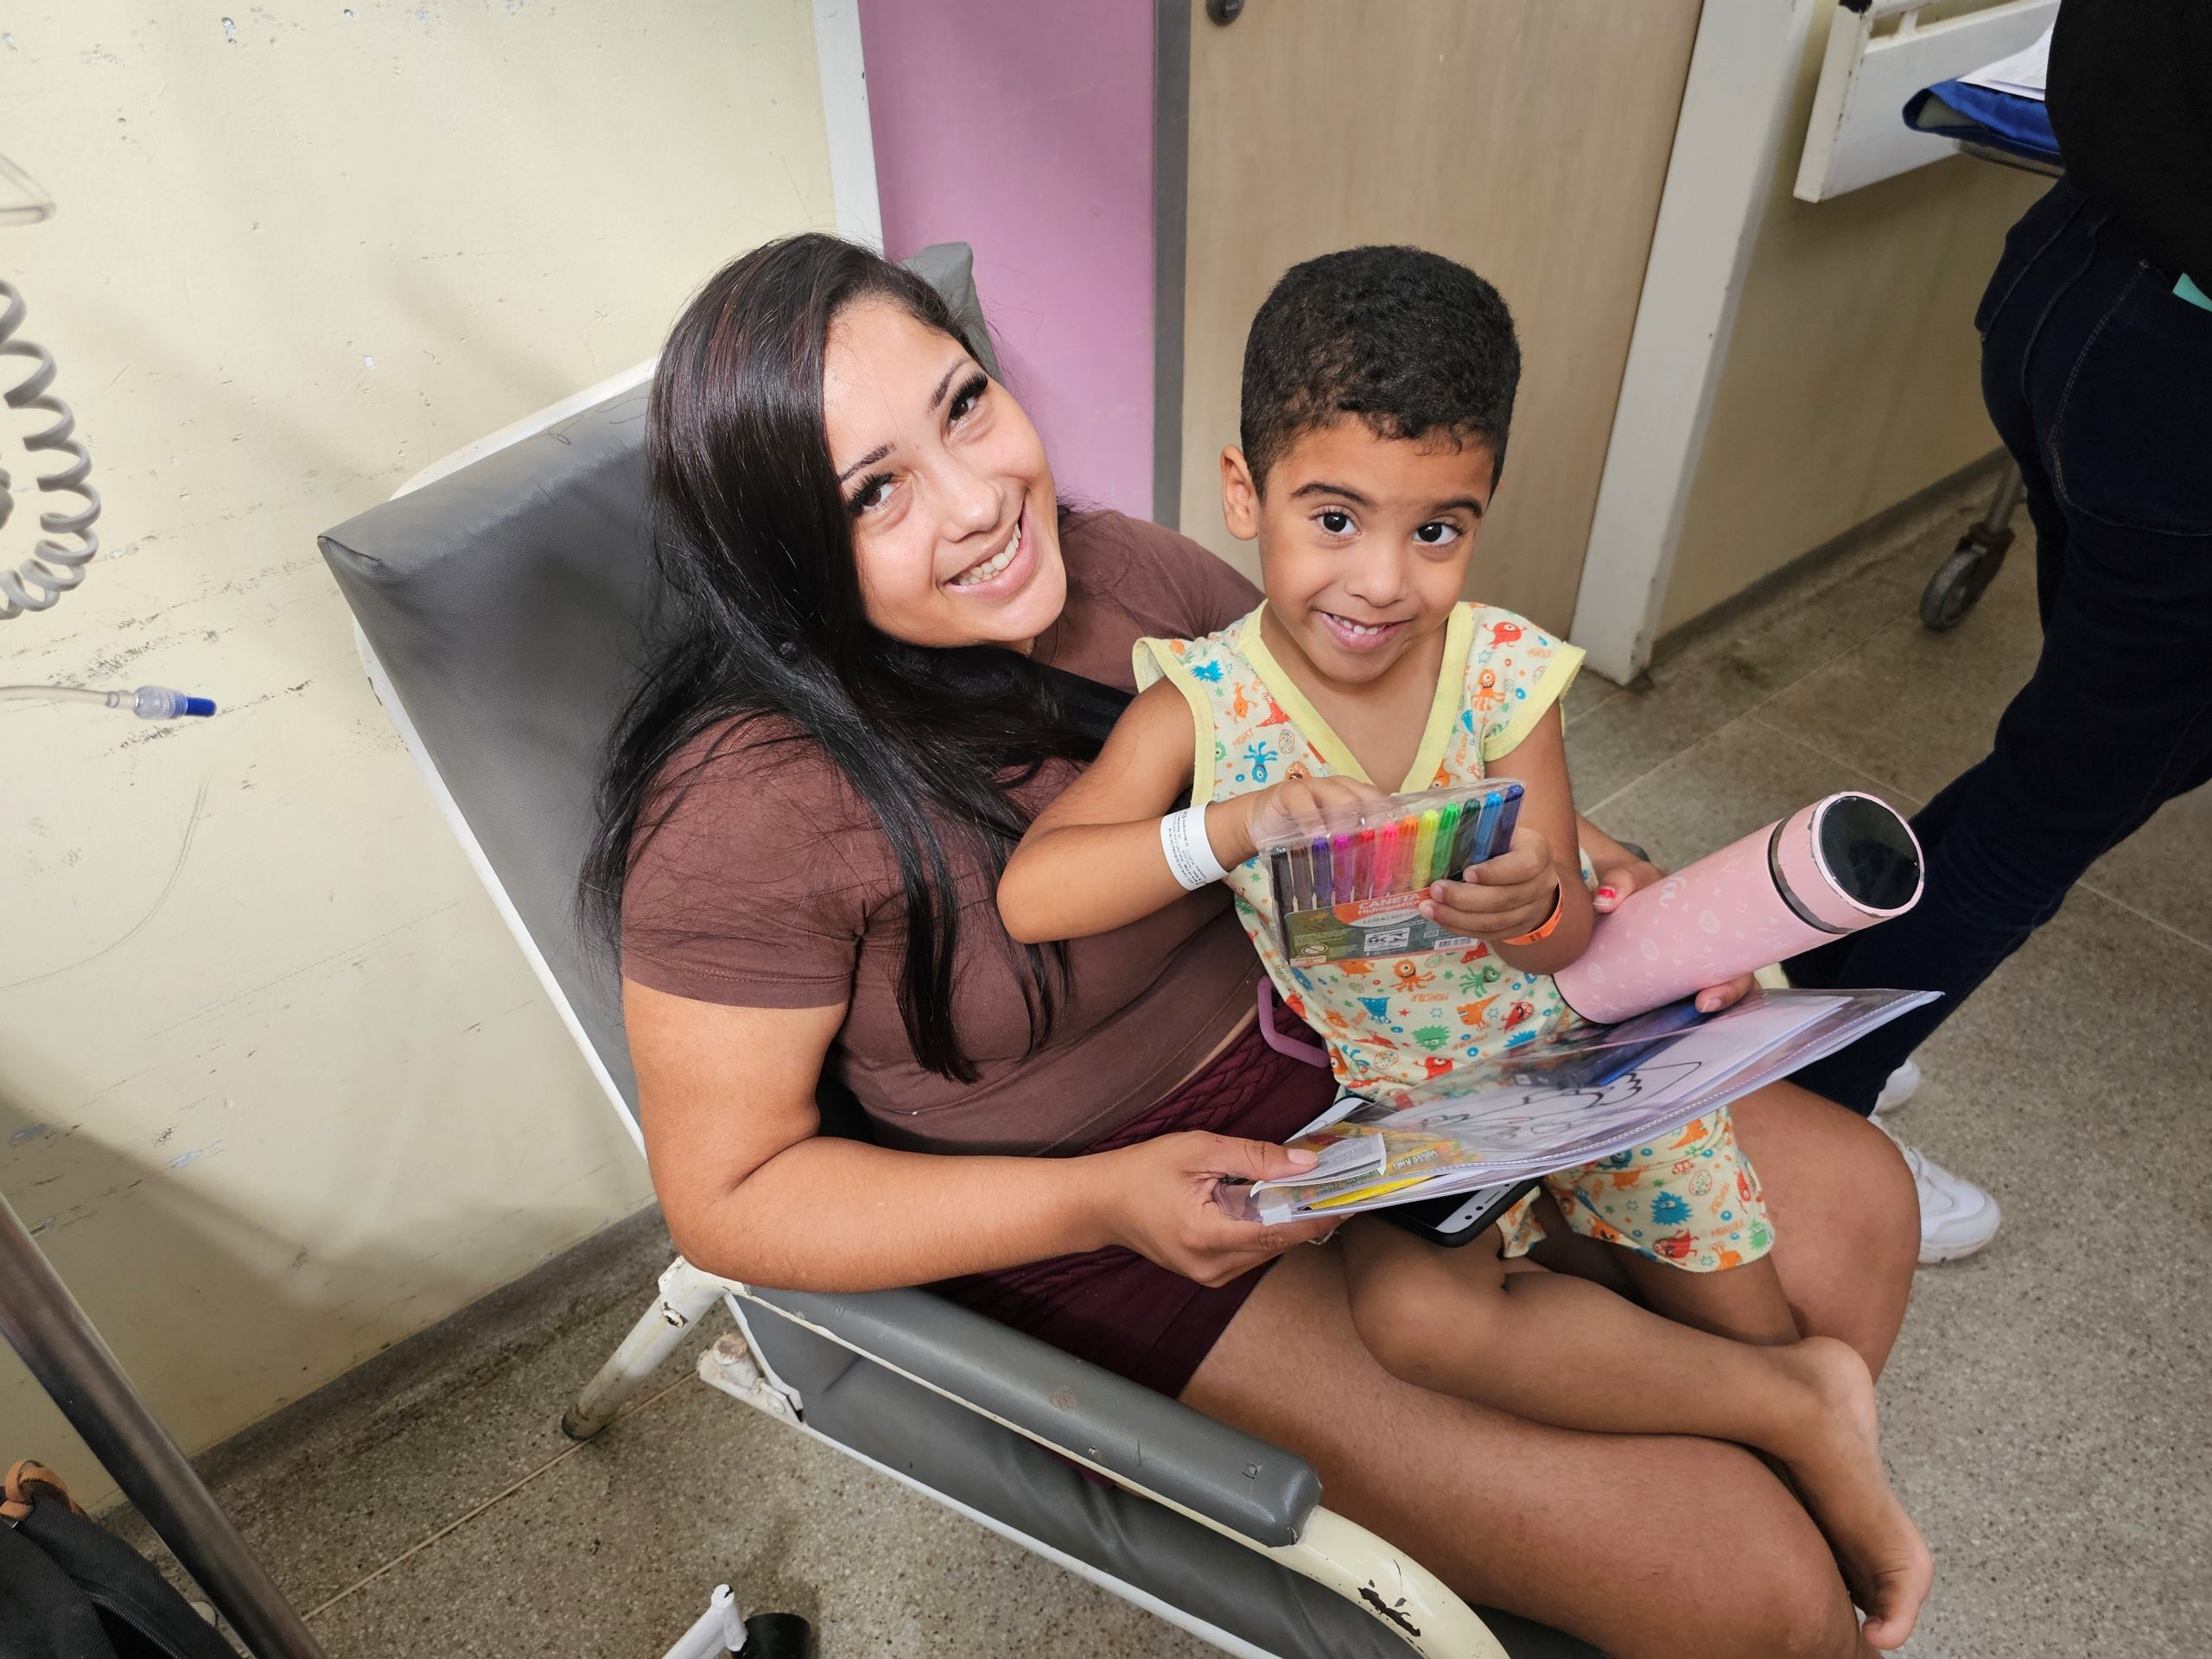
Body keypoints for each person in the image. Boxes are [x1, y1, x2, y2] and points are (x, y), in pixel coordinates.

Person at [588, 231, 1922, 1657]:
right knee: (1752, 1588)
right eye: (876, 490)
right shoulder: (740, 817)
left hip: (1364, 1045)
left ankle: (1735, 1428)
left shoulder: (1121, 576)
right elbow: (729, 1199)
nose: (982, 503)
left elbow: (1371, 721)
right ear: (785, 550)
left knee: (1855, 1213)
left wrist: (1595, 889)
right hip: (1125, 1214)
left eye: (965, 403)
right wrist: (1095, 1202)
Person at [1000, 246, 1928, 1649]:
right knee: (1412, 1322)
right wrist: (1233, 825)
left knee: (1737, 1298)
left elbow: (1562, 933)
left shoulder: (1503, 674)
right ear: (1244, 496)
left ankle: (1810, 1461)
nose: (1382, 581)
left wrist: (1534, 903)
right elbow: (1038, 893)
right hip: (1414, 1114)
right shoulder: (1199, 708)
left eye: (1439, 530)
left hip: (1579, 1064)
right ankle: (1796, 1402)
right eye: (1333, 517)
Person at [1787, 0, 2212, 1265]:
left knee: (2074, 750)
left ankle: (1819, 1011)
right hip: (2176, 389)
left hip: (2072, 278)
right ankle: (1809, 1108)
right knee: (2058, 799)